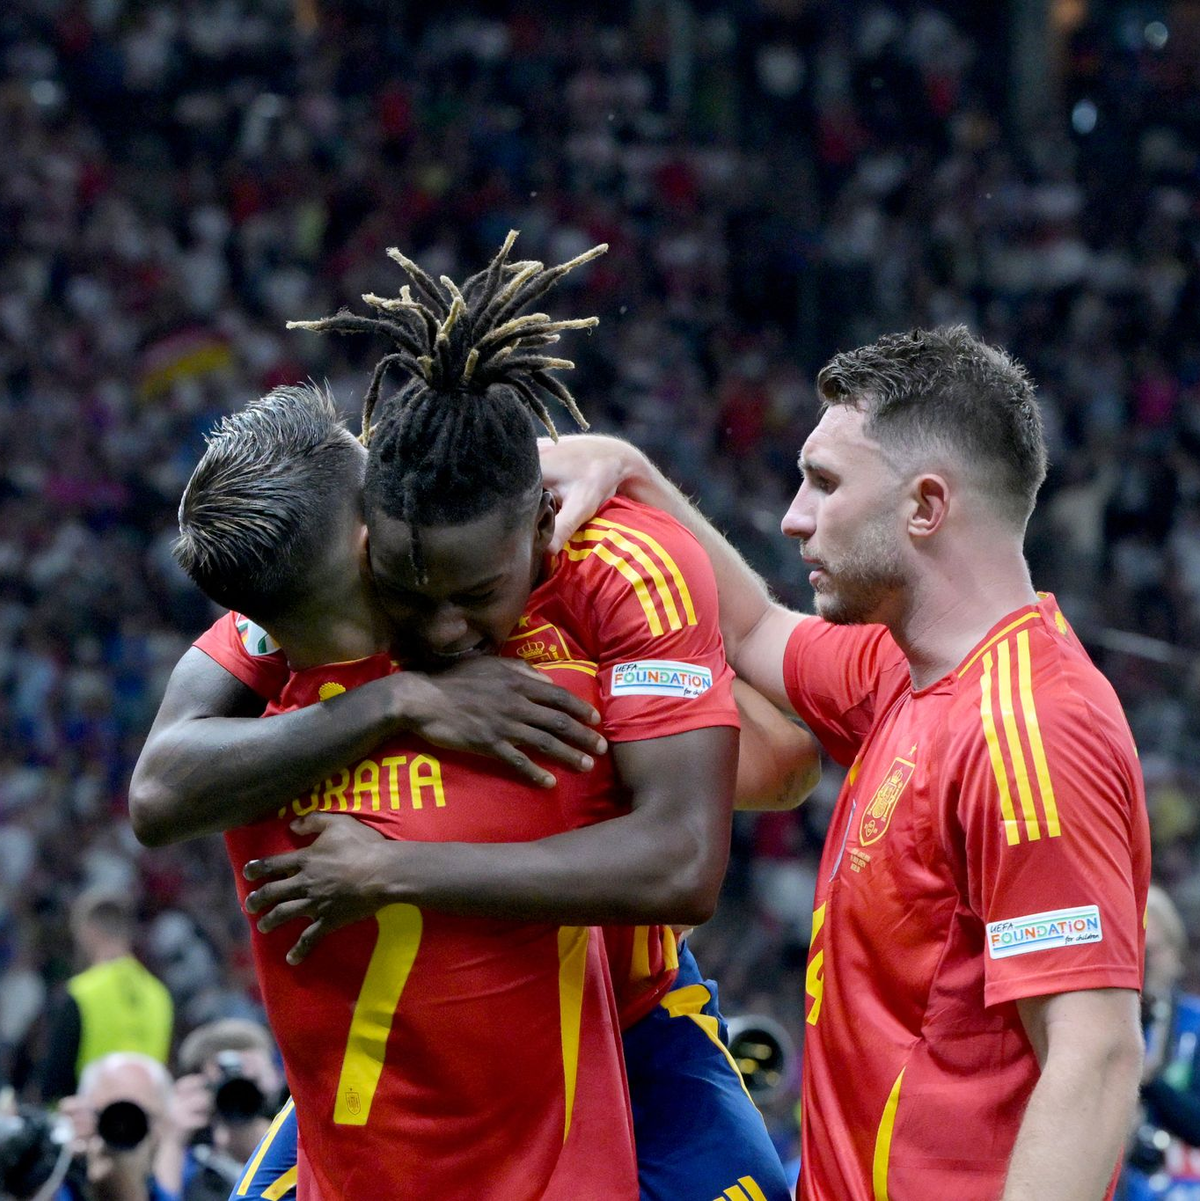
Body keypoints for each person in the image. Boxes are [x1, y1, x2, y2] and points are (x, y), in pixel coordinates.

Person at [131, 238, 815, 1200]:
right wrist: (400, 698)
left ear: (541, 526)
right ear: (371, 538)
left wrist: (634, 469)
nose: (446, 627)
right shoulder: (345, 563)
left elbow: (773, 774)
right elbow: (161, 787)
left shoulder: (620, 567)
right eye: (415, 593)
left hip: (630, 1012)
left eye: (479, 594)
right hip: (430, 1057)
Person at [537, 325, 1150, 1201]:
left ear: (926, 507)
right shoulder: (898, 669)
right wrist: (629, 470)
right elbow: (747, 628)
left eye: (824, 483)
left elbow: (1092, 1056)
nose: (794, 515)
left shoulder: (1033, 729)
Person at [37, 892, 173, 1103]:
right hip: (144, 1122)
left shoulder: (80, 992)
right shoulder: (159, 995)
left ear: (88, 931)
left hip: (89, 1121)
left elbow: (54, 1081)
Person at [59, 1053, 177, 1201]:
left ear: (163, 1125)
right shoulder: (53, 1184)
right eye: (111, 1115)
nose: (123, 1128)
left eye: (138, 1119)